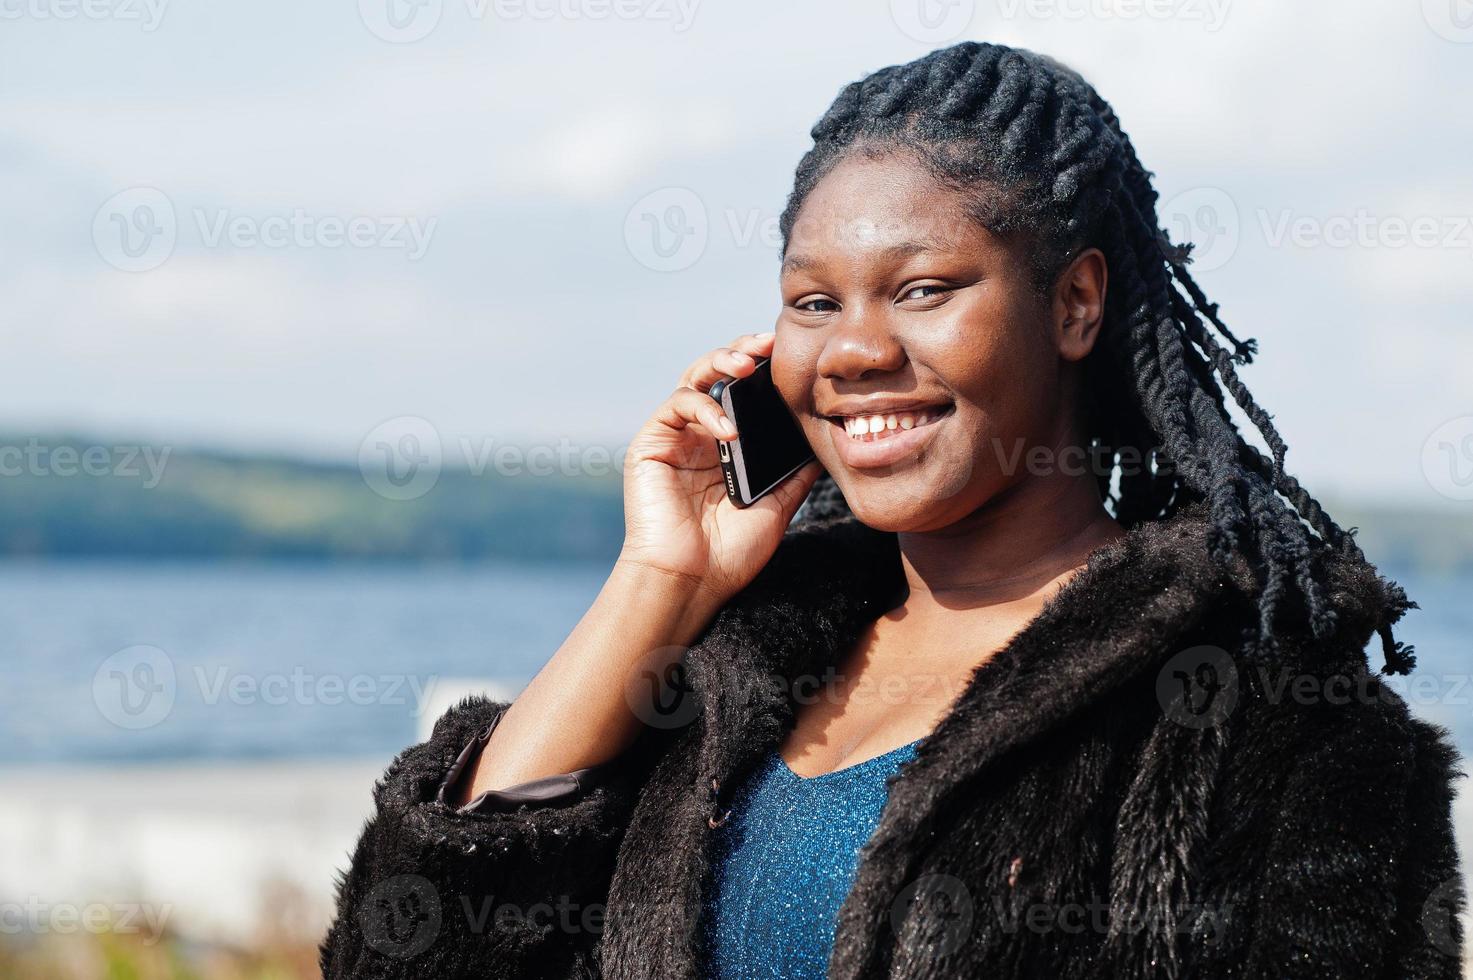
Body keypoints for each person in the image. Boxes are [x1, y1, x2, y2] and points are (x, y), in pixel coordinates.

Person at [321, 41, 1464, 979]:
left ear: (1074, 303)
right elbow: (407, 954)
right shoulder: (718, 679)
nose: (858, 348)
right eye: (814, 301)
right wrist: (660, 583)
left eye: (924, 289)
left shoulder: (1270, 724)